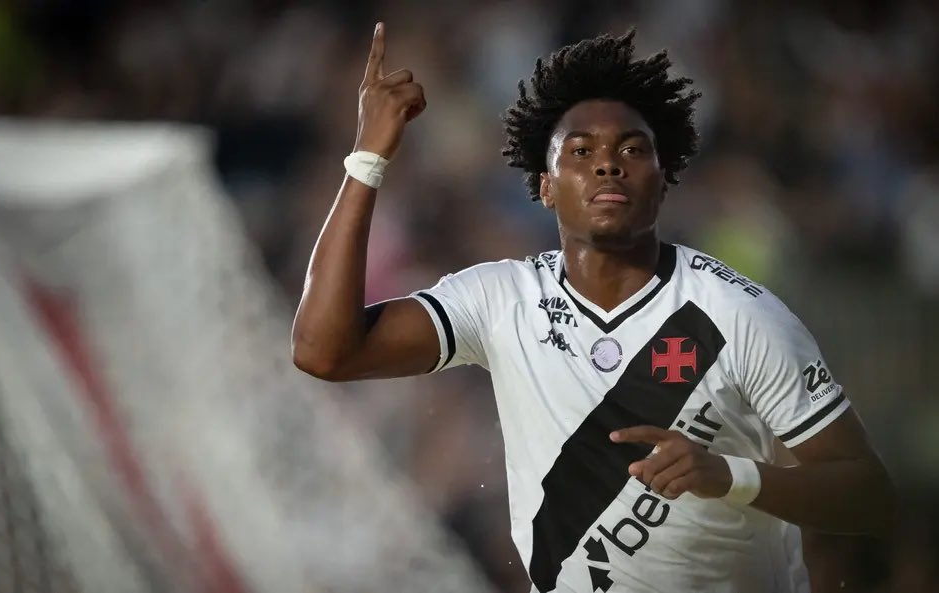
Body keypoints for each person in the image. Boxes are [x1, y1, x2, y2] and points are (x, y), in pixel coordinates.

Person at [291, 22, 894, 593]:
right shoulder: (502, 300)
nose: (608, 163)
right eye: (580, 151)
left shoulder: (740, 315)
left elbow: (870, 496)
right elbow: (323, 352)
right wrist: (367, 159)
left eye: (633, 149)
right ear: (545, 185)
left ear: (663, 178)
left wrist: (731, 476)